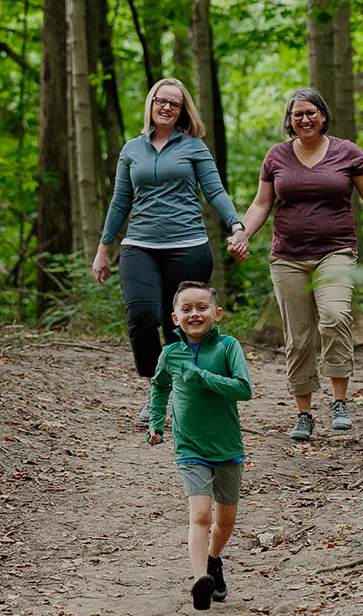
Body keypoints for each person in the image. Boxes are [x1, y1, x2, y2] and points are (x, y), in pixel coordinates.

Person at [226, 87, 363, 441]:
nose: (304, 119)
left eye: (311, 112)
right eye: (297, 114)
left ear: (322, 115)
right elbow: (261, 204)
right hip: (287, 258)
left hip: (336, 252)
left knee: (335, 317)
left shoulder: (348, 153)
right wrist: (243, 233)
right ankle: (303, 413)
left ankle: (338, 402)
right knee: (299, 338)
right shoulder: (276, 157)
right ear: (289, 120)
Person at [92, 78, 249, 421]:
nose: (166, 108)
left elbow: (215, 191)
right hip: (139, 246)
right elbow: (120, 202)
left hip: (188, 246)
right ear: (150, 104)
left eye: (174, 104)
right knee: (142, 317)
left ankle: (184, 389)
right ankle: (155, 389)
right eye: (160, 101)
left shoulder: (194, 147)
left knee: (177, 323)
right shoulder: (132, 149)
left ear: (182, 112)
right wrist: (104, 248)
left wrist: (237, 226)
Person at [147, 281, 252, 610]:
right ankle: (199, 582)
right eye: (187, 309)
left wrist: (202, 377)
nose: (195, 314)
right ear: (175, 318)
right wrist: (155, 422)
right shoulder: (170, 353)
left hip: (227, 446)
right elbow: (159, 386)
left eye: (202, 308)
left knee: (226, 523)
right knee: (201, 516)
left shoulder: (228, 347)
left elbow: (243, 389)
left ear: (216, 313)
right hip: (189, 448)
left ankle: (212, 560)